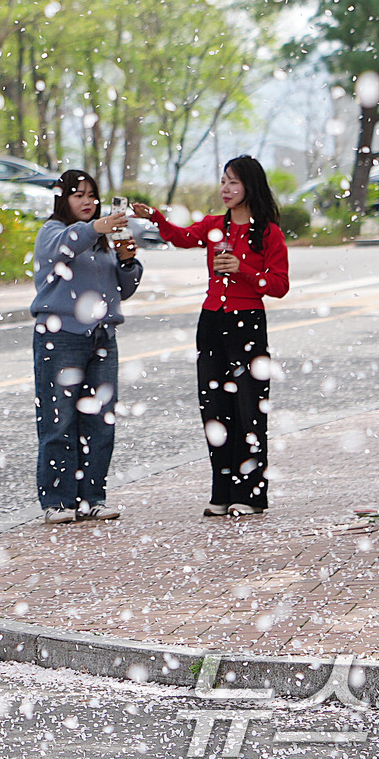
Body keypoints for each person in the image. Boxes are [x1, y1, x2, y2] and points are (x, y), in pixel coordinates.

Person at [133, 156, 288, 516]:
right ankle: (221, 493)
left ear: (251, 186)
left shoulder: (267, 232)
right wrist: (154, 217)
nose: (226, 190)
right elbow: (182, 238)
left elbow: (279, 286)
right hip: (212, 322)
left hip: (247, 322)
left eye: (233, 183)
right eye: (222, 182)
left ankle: (249, 494)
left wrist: (244, 269)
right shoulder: (213, 225)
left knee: (249, 408)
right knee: (215, 410)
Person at [31, 169, 143, 523]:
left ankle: (92, 496)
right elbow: (65, 245)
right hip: (60, 335)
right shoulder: (53, 232)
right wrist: (99, 227)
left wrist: (127, 261)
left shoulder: (100, 240)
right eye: (78, 194)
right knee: (59, 421)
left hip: (102, 338)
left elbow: (123, 289)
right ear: (62, 199)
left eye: (91, 195)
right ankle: (57, 501)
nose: (87, 201)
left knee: (100, 422)